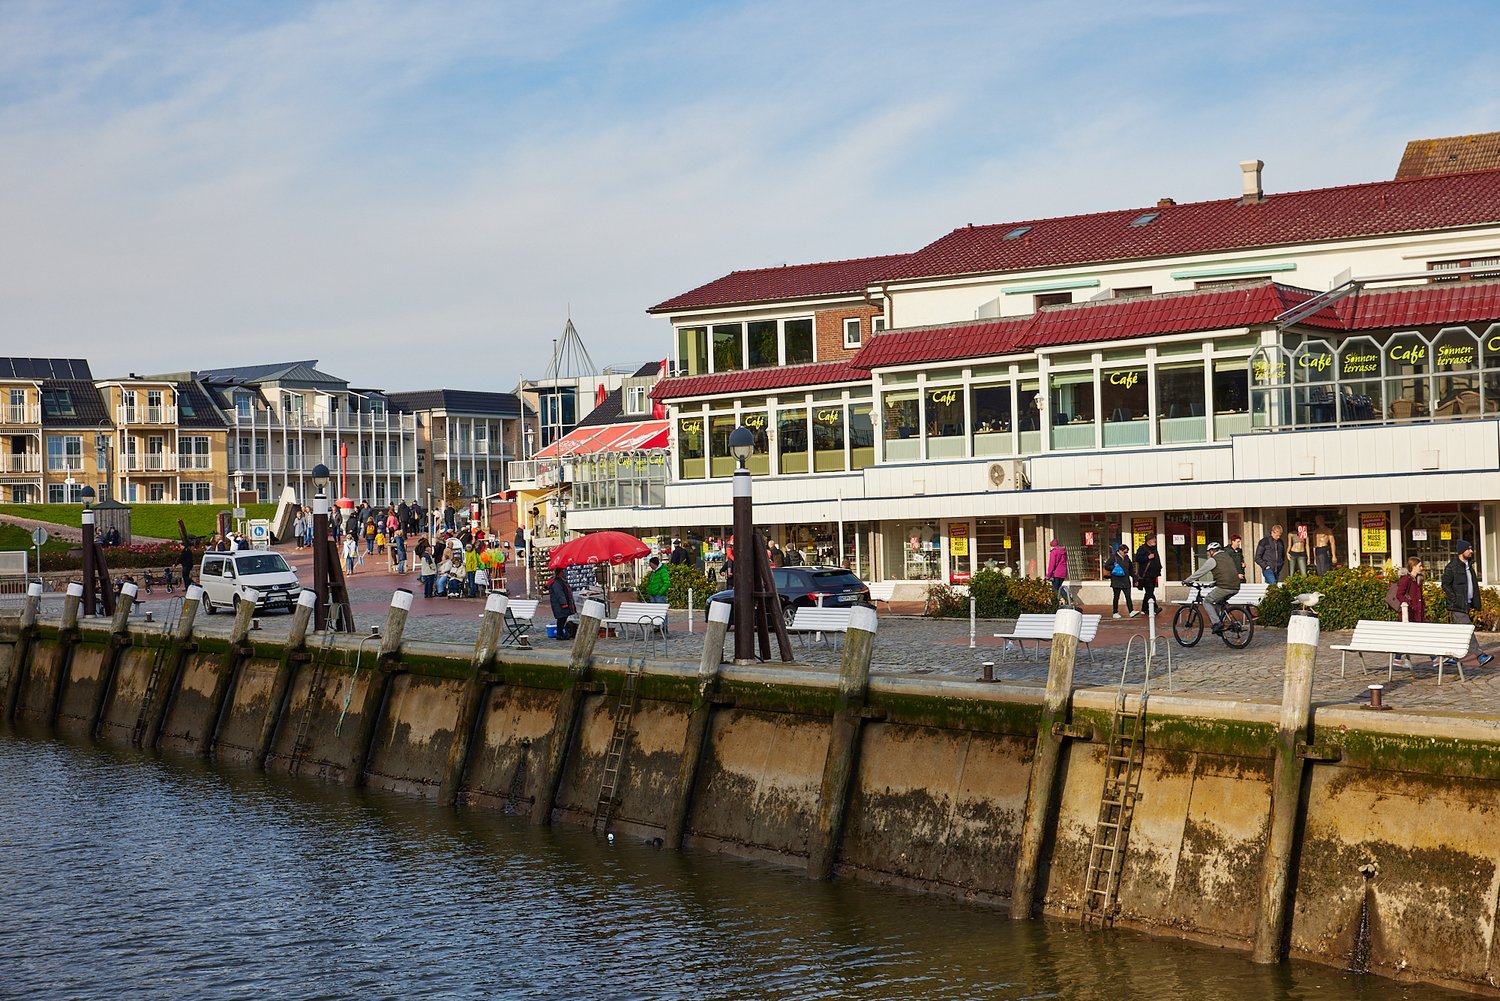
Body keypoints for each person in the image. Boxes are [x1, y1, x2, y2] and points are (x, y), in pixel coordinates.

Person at [1441, 541, 1493, 668]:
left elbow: (1473, 585)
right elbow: (1445, 584)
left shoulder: (1469, 566)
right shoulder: (1452, 566)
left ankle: (1450, 658)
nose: (1471, 551)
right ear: (1461, 551)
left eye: (1471, 548)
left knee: (1458, 632)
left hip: (1467, 603)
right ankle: (1480, 655)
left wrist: (1476, 603)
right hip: (1457, 605)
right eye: (1468, 549)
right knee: (1468, 629)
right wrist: (1454, 598)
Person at [1185, 541, 1240, 633]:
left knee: (1207, 601)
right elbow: (1227, 573)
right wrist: (1214, 583)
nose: (1208, 554)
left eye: (1208, 552)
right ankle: (1223, 621)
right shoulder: (1227, 557)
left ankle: (1217, 623)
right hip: (1236, 587)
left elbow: (1200, 572)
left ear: (1211, 551)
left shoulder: (1213, 559)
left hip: (1225, 587)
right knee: (1218, 602)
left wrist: (1187, 580)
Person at [1393, 557, 1427, 670]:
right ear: (1413, 566)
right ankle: (1435, 658)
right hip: (1409, 613)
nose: (1421, 568)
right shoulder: (1406, 579)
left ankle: (1397, 659)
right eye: (1420, 566)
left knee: (1410, 636)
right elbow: (1399, 594)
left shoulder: (1417, 579)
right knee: (1414, 635)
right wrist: (1408, 603)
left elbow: (1419, 597)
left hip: (1417, 612)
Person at [1134, 534, 1162, 616]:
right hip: (1146, 575)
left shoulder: (1154, 548)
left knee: (1149, 591)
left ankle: (1144, 609)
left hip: (1154, 574)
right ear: (1148, 541)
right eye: (1153, 539)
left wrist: (1159, 568)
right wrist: (1147, 557)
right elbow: (1137, 559)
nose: (1155, 541)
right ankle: (1154, 608)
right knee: (1150, 592)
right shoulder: (1142, 549)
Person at [1107, 542, 1137, 618]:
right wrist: (1114, 568)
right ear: (1120, 551)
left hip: (1126, 581)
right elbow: (1107, 565)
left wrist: (1135, 578)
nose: (1126, 553)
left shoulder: (1127, 558)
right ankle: (1115, 612)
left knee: (1128, 596)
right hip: (1117, 581)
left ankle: (1131, 611)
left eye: (1127, 552)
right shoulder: (1114, 557)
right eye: (1124, 552)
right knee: (1116, 597)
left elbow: (1131, 569)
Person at [547, 567, 575, 641]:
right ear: (560, 572)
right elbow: (559, 593)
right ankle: (559, 635)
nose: (565, 572)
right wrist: (564, 603)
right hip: (559, 604)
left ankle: (560, 634)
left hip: (560, 603)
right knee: (561, 619)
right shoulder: (557, 582)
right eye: (563, 571)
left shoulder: (560, 581)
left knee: (562, 619)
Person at [1046, 539, 1068, 608]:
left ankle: (1055, 605)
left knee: (1055, 589)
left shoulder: (1054, 552)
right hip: (1063, 573)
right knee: (1060, 587)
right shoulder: (1063, 552)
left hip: (1056, 573)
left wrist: (1048, 575)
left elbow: (1052, 564)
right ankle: (1069, 600)